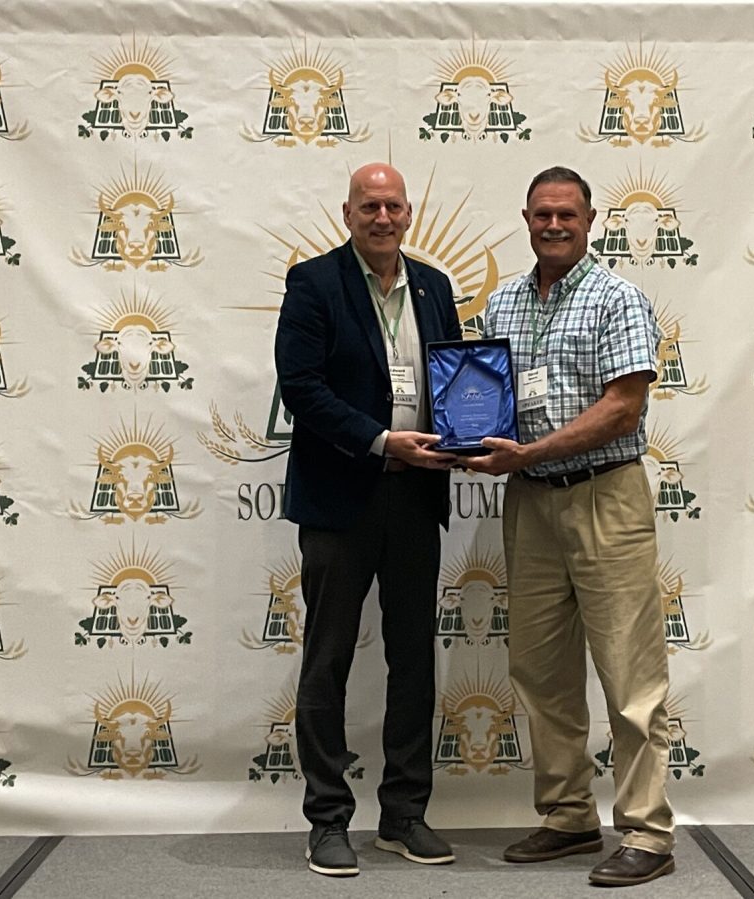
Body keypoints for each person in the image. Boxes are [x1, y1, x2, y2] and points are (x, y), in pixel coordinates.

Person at [464, 166, 675, 887]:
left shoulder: (619, 299)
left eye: (568, 215)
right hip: (527, 501)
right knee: (540, 667)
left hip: (604, 496)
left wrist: (531, 450)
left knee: (629, 672)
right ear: (525, 217)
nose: (555, 225)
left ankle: (647, 829)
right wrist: (466, 442)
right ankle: (567, 815)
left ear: (592, 220)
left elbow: (624, 408)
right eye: (543, 214)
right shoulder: (502, 304)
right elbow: (479, 397)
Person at [274, 162, 461, 877]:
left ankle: (405, 812)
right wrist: (382, 440)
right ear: (346, 212)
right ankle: (327, 817)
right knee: (328, 659)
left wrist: (465, 438)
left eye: (393, 206)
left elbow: (454, 380)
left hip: (416, 498)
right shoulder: (314, 283)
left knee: (414, 658)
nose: (382, 217)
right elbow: (302, 389)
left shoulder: (434, 287)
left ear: (409, 213)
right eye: (368, 205)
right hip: (339, 499)